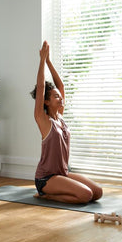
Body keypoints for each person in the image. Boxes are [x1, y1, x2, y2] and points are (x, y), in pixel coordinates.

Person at [30, 40, 103, 204]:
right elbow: (41, 87)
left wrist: (49, 61)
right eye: (55, 96)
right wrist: (41, 61)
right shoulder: (43, 119)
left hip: (62, 174)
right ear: (46, 102)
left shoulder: (60, 117)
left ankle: (56, 192)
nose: (60, 98)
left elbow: (61, 85)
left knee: (97, 192)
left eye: (60, 96)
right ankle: (46, 195)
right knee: (85, 195)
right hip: (46, 178)